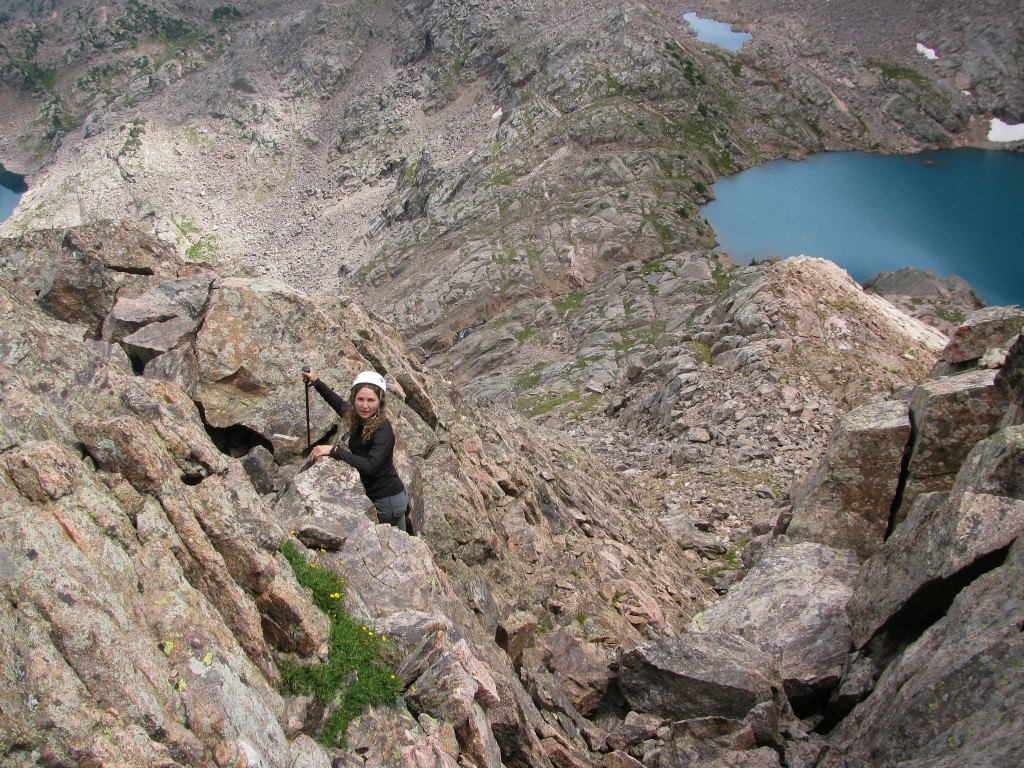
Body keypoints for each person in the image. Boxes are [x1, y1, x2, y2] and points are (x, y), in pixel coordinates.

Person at [301, 368, 411, 533]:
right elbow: (337, 403)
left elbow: (370, 466)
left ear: (380, 401)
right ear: (354, 399)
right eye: (360, 399)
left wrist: (335, 450)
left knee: (395, 543)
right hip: (386, 497)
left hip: (387, 501)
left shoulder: (383, 430)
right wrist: (316, 381)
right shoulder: (358, 416)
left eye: (370, 400)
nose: (364, 405)